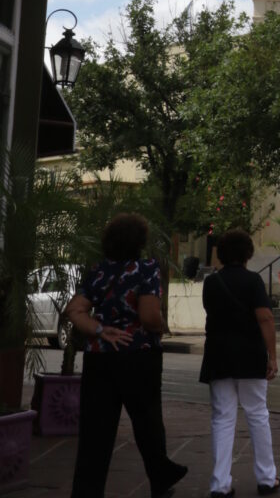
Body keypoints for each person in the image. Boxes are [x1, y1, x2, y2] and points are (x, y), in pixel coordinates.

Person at [65, 213, 188, 498]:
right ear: (139, 241)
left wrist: (99, 330)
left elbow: (74, 310)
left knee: (96, 432)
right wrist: (159, 327)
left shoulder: (98, 271)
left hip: (99, 358)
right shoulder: (146, 269)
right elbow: (148, 316)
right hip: (138, 356)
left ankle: (86, 492)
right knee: (147, 422)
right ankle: (160, 477)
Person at [200, 227, 280, 497]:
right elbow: (265, 318)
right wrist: (273, 355)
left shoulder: (211, 283)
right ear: (247, 254)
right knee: (257, 414)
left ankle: (220, 484)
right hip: (249, 355)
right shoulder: (253, 281)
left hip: (218, 356)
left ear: (221, 254)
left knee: (222, 418)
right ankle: (267, 479)